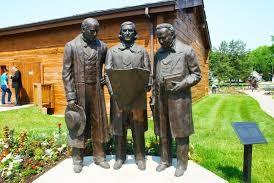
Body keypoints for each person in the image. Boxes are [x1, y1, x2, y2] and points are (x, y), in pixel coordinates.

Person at [152, 23, 201, 177]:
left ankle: (181, 164)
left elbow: (197, 74)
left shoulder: (187, 51)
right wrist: (154, 96)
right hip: (161, 98)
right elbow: (155, 77)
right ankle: (165, 160)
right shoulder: (158, 54)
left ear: (172, 34)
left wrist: (182, 84)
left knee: (180, 132)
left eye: (163, 37)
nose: (160, 41)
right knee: (163, 130)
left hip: (180, 98)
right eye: (159, 38)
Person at [62, 18, 110, 173]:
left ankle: (100, 156)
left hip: (96, 90)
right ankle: (77, 159)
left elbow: (108, 67)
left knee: (99, 123)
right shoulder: (71, 46)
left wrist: (105, 78)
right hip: (78, 90)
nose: (95, 33)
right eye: (92, 31)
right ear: (83, 29)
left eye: (97, 30)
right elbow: (66, 73)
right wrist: (70, 96)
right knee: (78, 124)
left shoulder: (102, 46)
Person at [105, 21, 151, 170]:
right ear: (120, 33)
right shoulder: (112, 52)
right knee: (119, 129)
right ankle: (119, 156)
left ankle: (140, 157)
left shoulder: (142, 51)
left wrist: (147, 84)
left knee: (137, 128)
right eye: (124, 30)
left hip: (137, 97)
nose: (127, 33)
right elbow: (107, 73)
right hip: (118, 97)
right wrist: (113, 92)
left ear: (135, 34)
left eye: (130, 31)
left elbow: (148, 72)